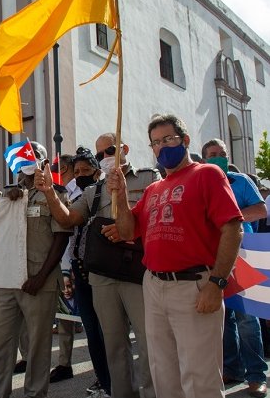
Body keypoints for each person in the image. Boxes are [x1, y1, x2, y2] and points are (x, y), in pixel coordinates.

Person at [106, 114, 244, 398]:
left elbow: (233, 228)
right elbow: (127, 230)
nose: (162, 147)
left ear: (185, 140)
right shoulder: (154, 189)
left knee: (200, 378)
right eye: (156, 143)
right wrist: (119, 194)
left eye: (168, 139)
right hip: (154, 286)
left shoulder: (207, 174)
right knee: (164, 374)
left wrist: (217, 282)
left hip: (194, 285)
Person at [36, 134, 158, 398]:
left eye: (110, 151)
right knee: (113, 342)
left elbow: (159, 217)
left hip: (139, 271)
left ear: (124, 149)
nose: (105, 157)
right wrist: (49, 193)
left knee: (150, 341)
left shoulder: (150, 178)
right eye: (100, 153)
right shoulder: (94, 191)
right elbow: (67, 219)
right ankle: (121, 393)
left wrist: (130, 228)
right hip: (103, 274)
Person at [0, 141, 71, 398]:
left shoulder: (56, 193)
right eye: (22, 161)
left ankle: (35, 393)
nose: (27, 165)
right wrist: (2, 204)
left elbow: (61, 236)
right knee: (1, 340)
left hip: (39, 280)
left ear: (44, 162)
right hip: (8, 278)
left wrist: (41, 276)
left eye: (33, 157)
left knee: (38, 343)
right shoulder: (9, 195)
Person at [202, 138, 268, 397]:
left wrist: (231, 216)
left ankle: (256, 375)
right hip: (211, 255)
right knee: (223, 317)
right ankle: (232, 368)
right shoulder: (201, 182)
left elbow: (261, 210)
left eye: (221, 153)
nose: (218, 157)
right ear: (204, 158)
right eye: (212, 154)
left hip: (241, 255)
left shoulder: (241, 181)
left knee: (247, 319)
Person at [51, 148, 110, 393]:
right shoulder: (70, 195)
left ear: (97, 171)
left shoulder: (105, 191)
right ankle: (101, 378)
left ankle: (113, 380)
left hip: (104, 269)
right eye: (77, 172)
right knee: (90, 329)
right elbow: (66, 224)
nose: (81, 175)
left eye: (86, 170)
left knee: (106, 330)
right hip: (77, 267)